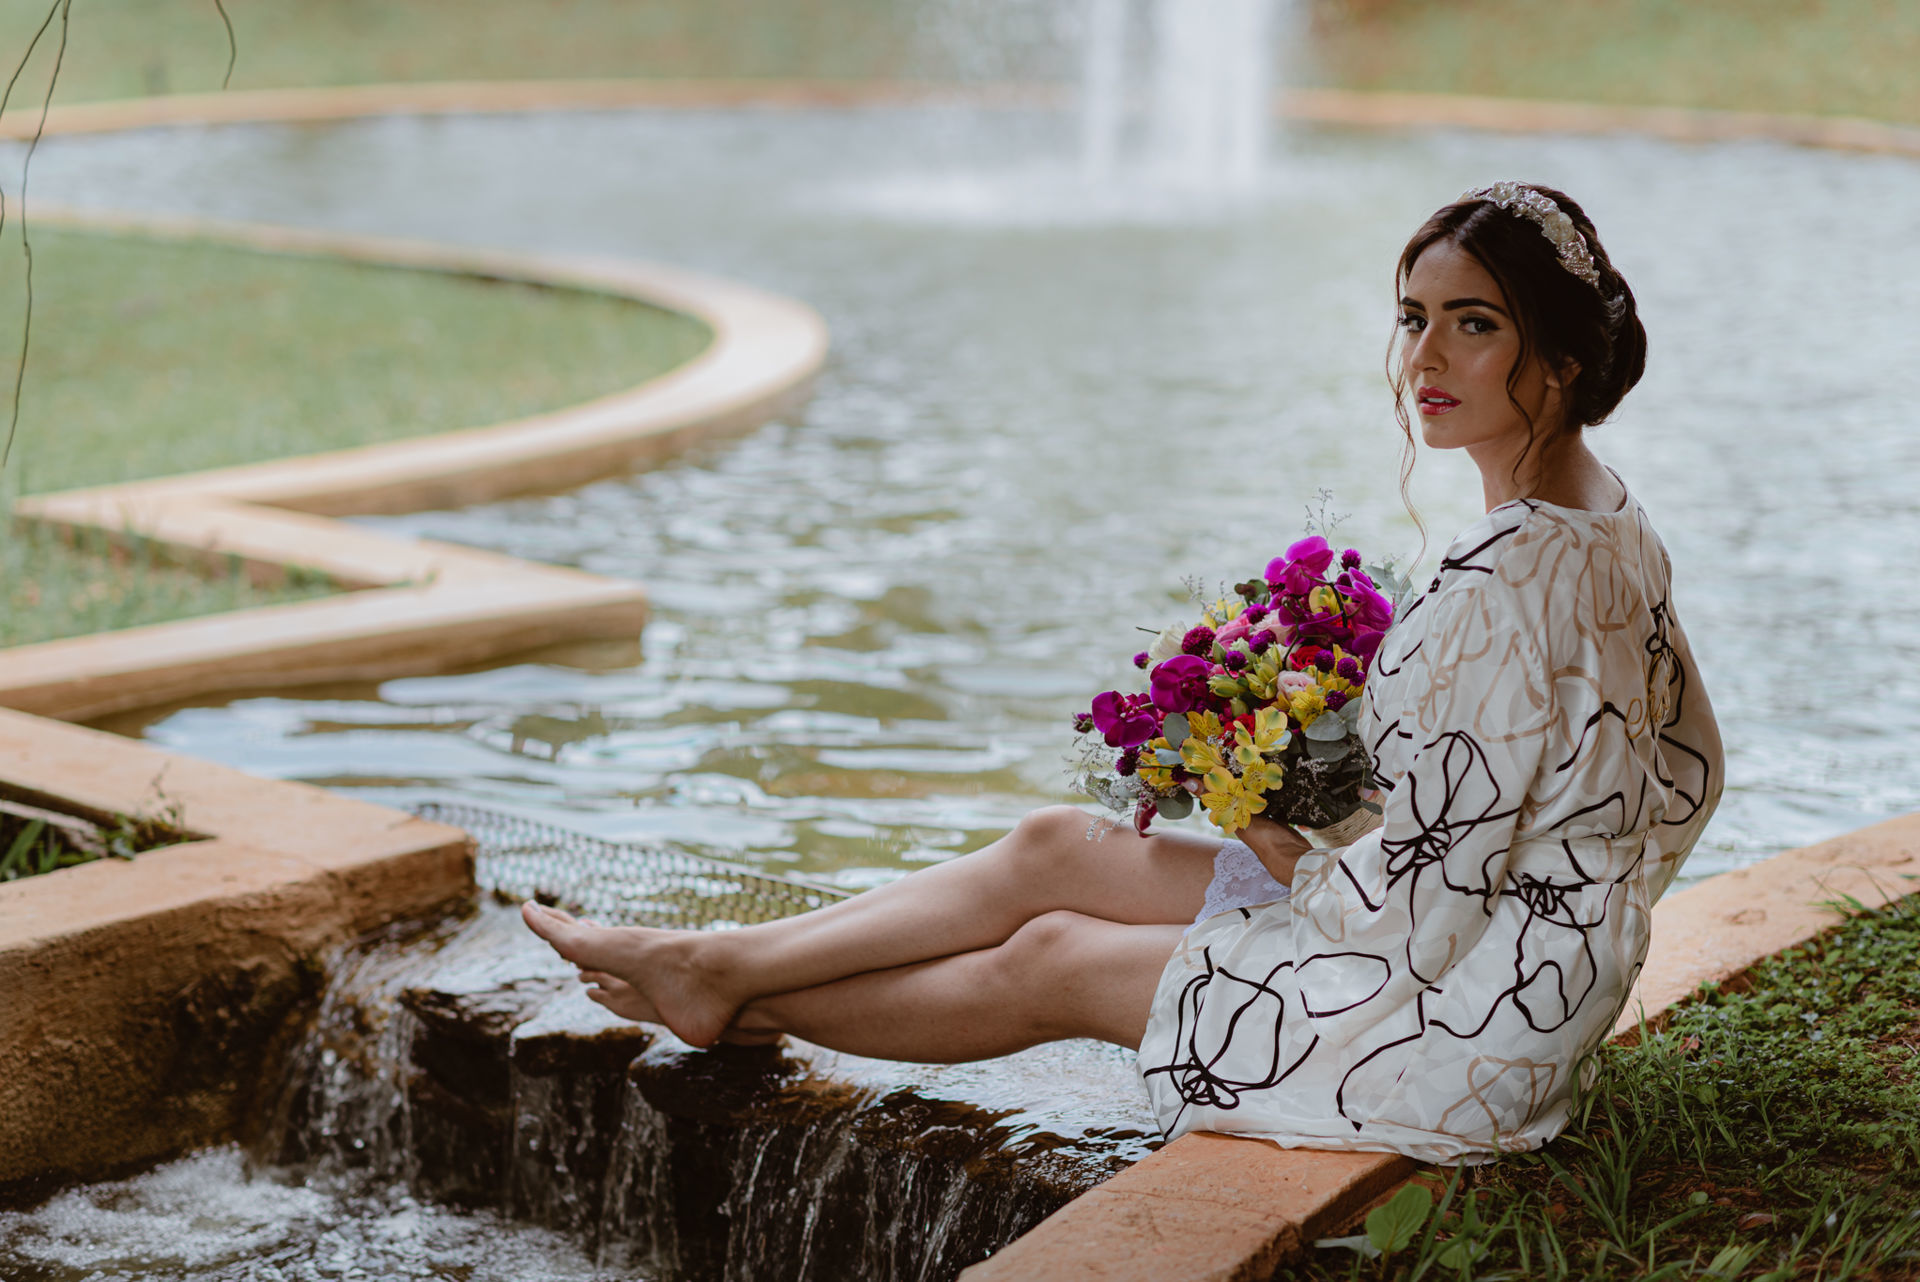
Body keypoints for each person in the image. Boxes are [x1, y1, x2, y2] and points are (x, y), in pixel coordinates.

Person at [523, 181, 1722, 1164]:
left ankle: (733, 995)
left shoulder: (1504, 584)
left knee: (1054, 954)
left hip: (1460, 1028)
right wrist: (1555, 870)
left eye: (1476, 322)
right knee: (1062, 848)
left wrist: (1266, 822)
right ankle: (719, 963)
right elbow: (1689, 779)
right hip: (1525, 960)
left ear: (1560, 356)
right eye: (1413, 316)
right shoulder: (1608, 519)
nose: (1425, 356)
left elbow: (1410, 923)